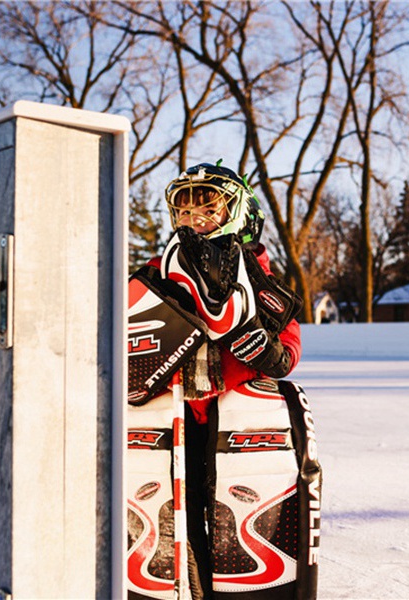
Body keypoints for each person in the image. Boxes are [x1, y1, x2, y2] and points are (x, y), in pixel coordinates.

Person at [139, 161, 304, 598]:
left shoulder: (257, 272)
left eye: (207, 206)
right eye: (185, 208)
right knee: (175, 517)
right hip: (170, 410)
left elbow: (288, 344)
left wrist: (272, 353)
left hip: (235, 412)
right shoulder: (159, 268)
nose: (195, 218)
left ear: (234, 208)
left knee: (232, 518)